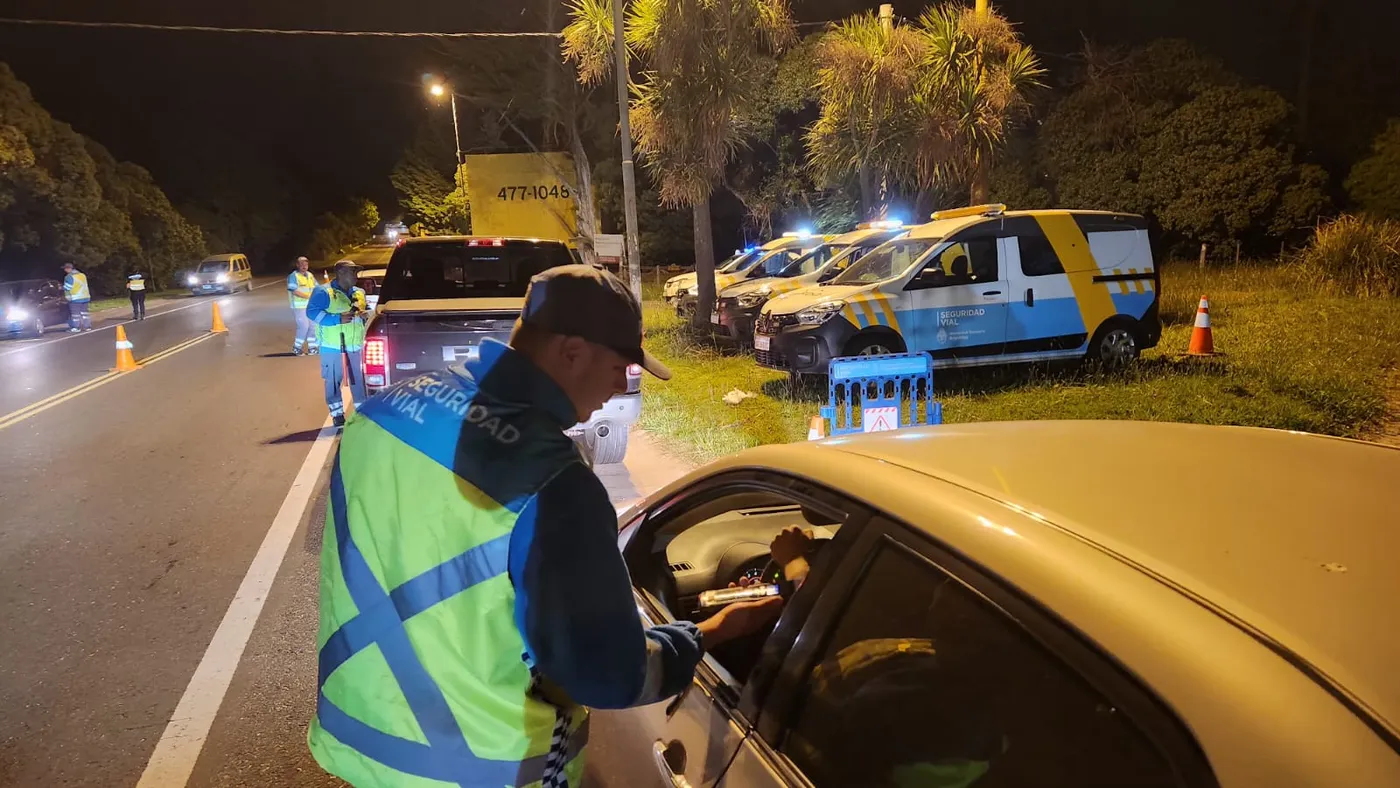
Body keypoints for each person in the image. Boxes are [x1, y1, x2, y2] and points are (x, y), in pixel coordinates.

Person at [307, 265, 783, 788]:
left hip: (360, 741)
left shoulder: (383, 410)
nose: (621, 385)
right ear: (572, 352)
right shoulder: (556, 483)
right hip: (481, 771)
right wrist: (711, 632)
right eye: (621, 366)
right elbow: (607, 676)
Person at [305, 260, 368, 427]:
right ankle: (337, 414)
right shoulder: (324, 292)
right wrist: (337, 319)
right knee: (333, 380)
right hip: (332, 346)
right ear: (340, 273)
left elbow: (367, 310)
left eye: (356, 271)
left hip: (355, 345)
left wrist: (365, 315)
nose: (356, 275)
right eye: (352, 272)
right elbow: (312, 313)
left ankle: (362, 414)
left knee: (359, 381)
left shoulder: (359, 292)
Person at [287, 256, 319, 355]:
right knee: (304, 326)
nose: (304, 267)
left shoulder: (310, 275)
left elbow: (317, 288)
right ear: (297, 265)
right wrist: (308, 297)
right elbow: (294, 291)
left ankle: (312, 348)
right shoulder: (293, 276)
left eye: (306, 264)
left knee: (313, 326)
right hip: (299, 307)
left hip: (310, 306)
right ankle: (297, 348)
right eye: (302, 265)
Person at [61, 263, 91, 332]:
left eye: (65, 269)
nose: (65, 270)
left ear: (68, 269)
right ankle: (87, 327)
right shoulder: (82, 275)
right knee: (85, 313)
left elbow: (68, 287)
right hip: (85, 297)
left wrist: (61, 288)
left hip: (75, 298)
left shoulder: (69, 277)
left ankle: (76, 327)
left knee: (75, 315)